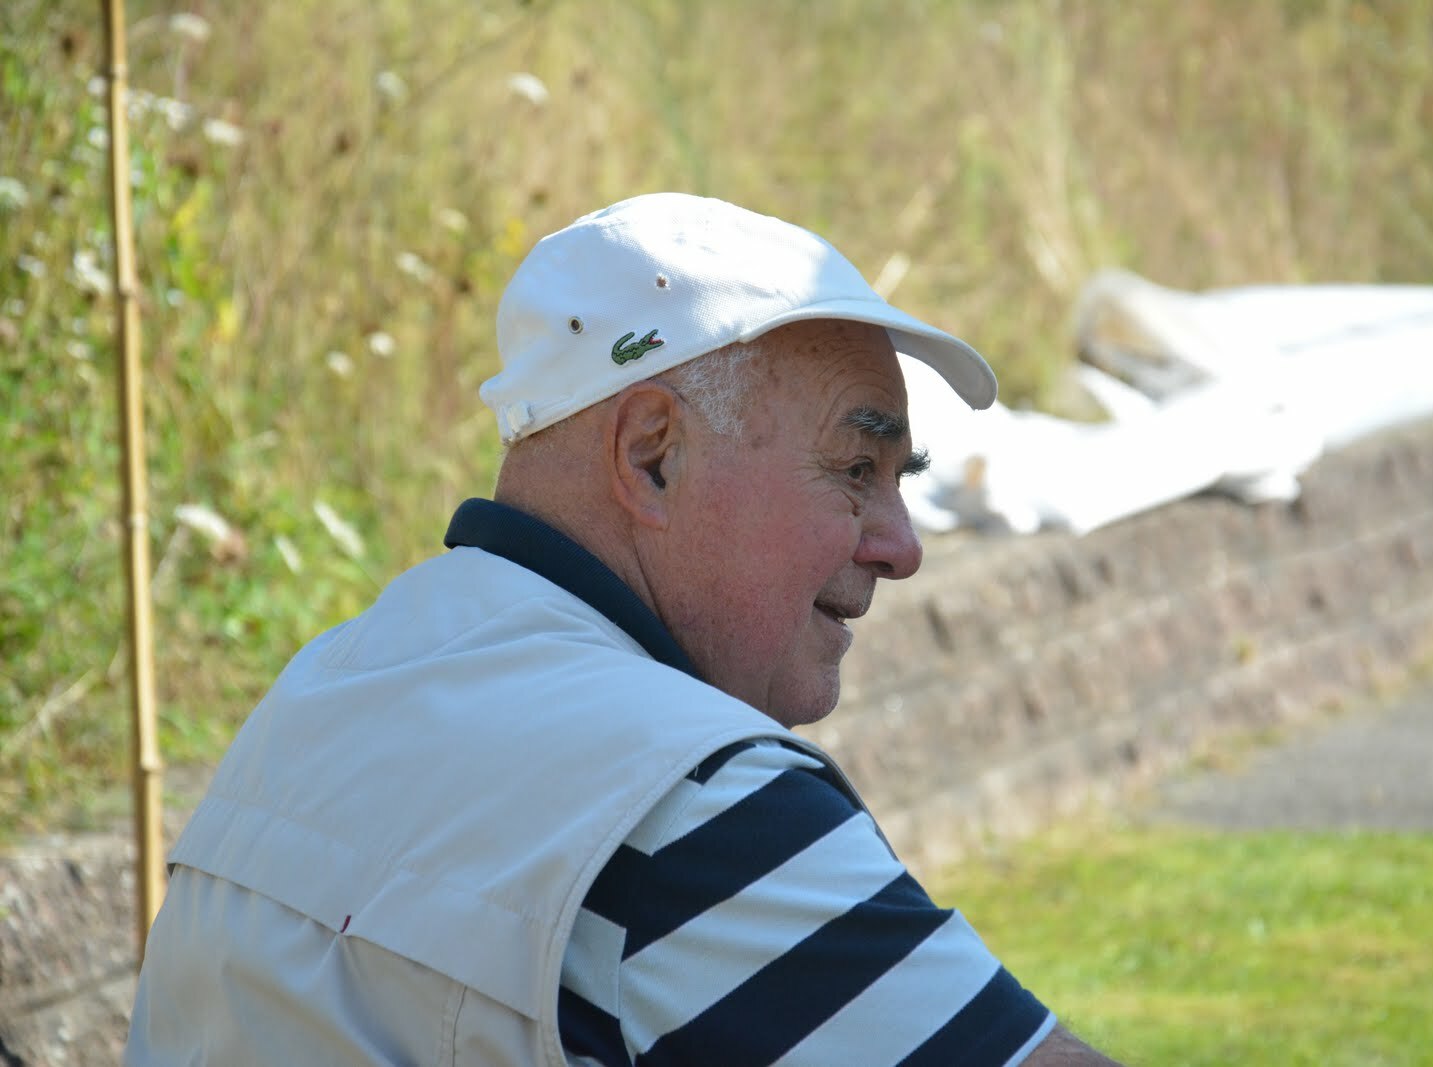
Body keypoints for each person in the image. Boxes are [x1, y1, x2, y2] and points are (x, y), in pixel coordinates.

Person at [125, 193, 1124, 1066]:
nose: (901, 547)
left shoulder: (322, 689)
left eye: (901, 482)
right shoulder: (692, 801)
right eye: (856, 470)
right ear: (651, 454)